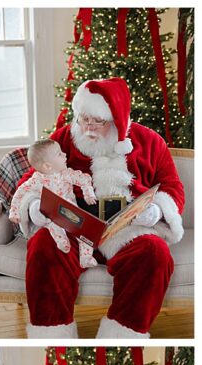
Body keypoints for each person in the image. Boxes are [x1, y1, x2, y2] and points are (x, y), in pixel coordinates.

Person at [16, 78, 185, 339]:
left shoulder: (150, 142)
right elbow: (32, 179)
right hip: (73, 228)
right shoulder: (63, 139)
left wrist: (158, 211)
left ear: (117, 120)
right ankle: (52, 333)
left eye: (98, 122)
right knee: (43, 245)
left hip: (128, 230)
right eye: (84, 119)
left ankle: (120, 335)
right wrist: (35, 205)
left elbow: (172, 187)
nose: (88, 128)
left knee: (155, 253)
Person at [9, 139, 98, 268]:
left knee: (86, 234)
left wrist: (88, 193)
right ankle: (61, 241)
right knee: (51, 224)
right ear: (47, 166)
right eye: (59, 154)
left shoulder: (66, 174)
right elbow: (19, 194)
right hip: (52, 216)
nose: (65, 155)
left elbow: (84, 179)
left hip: (72, 214)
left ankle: (85, 258)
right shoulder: (36, 181)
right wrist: (14, 211)